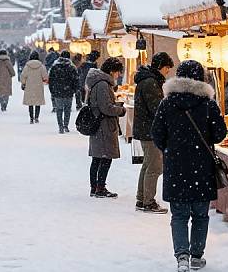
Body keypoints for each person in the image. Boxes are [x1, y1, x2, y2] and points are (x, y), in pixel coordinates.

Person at [152, 60, 226, 272]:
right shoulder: (208, 104)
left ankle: (182, 256)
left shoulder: (167, 103)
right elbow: (220, 134)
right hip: (202, 168)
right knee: (201, 215)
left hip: (176, 167)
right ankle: (196, 255)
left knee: (179, 215)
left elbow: (157, 134)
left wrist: (172, 148)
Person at [133, 52, 174, 214]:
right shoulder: (150, 82)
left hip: (146, 129)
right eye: (167, 68)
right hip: (150, 131)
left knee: (148, 165)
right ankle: (148, 201)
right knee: (155, 167)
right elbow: (157, 108)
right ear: (160, 67)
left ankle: (142, 198)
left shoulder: (148, 80)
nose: (168, 72)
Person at [86, 57, 126, 198]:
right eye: (118, 72)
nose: (119, 75)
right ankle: (100, 188)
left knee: (98, 157)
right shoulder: (103, 84)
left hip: (99, 124)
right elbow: (106, 107)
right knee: (104, 157)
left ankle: (95, 187)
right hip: (103, 126)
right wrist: (120, 110)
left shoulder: (97, 82)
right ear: (111, 71)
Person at [48, 50, 79, 134]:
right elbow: (76, 80)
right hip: (68, 91)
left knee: (59, 109)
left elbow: (51, 80)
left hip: (57, 91)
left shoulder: (55, 67)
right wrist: (74, 90)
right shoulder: (72, 67)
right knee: (67, 109)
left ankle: (60, 126)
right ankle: (66, 125)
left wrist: (52, 91)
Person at [21, 50, 48, 124]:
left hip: (29, 86)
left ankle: (31, 118)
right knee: (37, 102)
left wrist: (23, 83)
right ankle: (36, 117)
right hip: (38, 86)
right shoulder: (41, 66)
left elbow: (23, 76)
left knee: (30, 103)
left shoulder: (27, 66)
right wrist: (44, 80)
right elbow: (45, 76)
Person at [45, 47, 60, 112]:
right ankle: (58, 106)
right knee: (59, 94)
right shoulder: (60, 63)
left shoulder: (53, 67)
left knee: (54, 94)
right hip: (59, 81)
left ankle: (55, 106)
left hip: (54, 81)